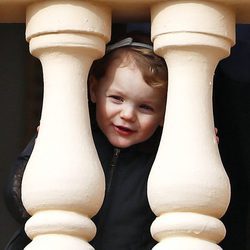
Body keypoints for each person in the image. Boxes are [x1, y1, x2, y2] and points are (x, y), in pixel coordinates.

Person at [4, 32, 168, 250]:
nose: (128, 114)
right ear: (93, 90)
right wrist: (41, 150)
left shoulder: (163, 160)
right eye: (117, 98)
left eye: (145, 107)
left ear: (165, 114)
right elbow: (16, 199)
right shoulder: (73, 138)